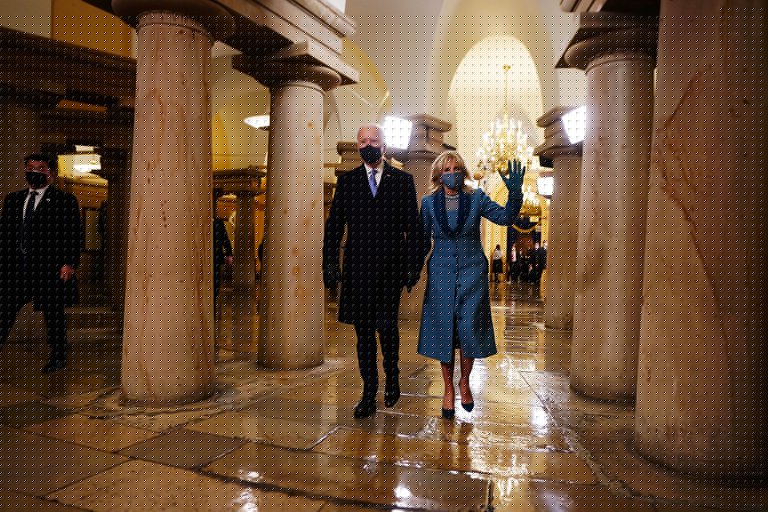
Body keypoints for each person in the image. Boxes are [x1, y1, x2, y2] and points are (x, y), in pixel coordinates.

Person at [323, 123, 422, 419]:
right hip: (358, 269)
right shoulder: (349, 181)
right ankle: (369, 391)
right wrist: (329, 262)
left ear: (385, 146)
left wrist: (412, 266)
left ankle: (392, 376)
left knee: (387, 329)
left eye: (374, 140)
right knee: (363, 334)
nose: (368, 144)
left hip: (389, 269)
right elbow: (334, 226)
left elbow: (414, 229)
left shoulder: (402, 181)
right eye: (362, 140)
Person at [418, 153, 524, 419]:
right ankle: (447, 390)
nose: (451, 172)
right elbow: (421, 240)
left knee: (468, 330)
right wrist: (409, 268)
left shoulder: (476, 198)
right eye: (446, 169)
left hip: (472, 272)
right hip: (441, 272)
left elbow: (506, 217)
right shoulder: (429, 203)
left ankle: (464, 381)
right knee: (445, 331)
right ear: (438, 174)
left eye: (456, 168)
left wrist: (515, 194)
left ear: (463, 171)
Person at [0, 153, 81, 373]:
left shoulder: (65, 201)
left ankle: (58, 356)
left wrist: (69, 263)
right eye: (30, 167)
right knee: (5, 309)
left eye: (41, 168)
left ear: (51, 174)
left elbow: (73, 234)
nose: (34, 172)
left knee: (53, 314)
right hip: (18, 268)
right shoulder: (13, 199)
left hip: (49, 268)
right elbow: (5, 234)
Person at [213, 196, 233, 314]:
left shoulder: (219, 223)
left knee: (216, 280)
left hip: (216, 257)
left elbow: (225, 239)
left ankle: (214, 297)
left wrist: (229, 254)